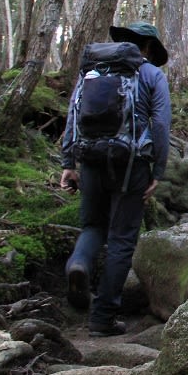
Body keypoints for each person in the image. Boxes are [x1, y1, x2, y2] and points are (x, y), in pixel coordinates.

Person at [59, 22, 172, 336]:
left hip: (91, 159)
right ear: (148, 47)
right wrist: (157, 171)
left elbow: (73, 114)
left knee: (93, 225)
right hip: (131, 164)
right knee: (122, 239)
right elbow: (161, 124)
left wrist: (69, 162)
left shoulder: (92, 72)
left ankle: (78, 263)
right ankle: (103, 318)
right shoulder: (151, 74)